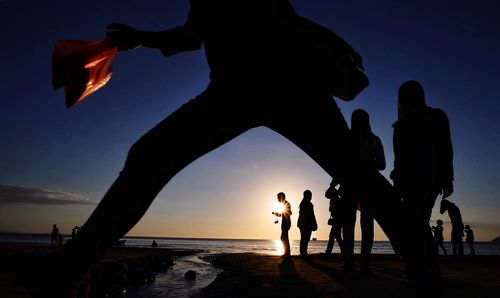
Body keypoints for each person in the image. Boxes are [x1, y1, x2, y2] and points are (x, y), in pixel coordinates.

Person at [37, 1, 437, 294]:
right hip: (259, 88)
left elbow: (202, 31)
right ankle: (423, 263)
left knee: (148, 159)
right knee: (359, 177)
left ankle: (70, 267)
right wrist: (141, 39)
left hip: (266, 85)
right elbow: (201, 31)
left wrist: (141, 39)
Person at [391, 80, 454, 274]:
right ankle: (423, 263)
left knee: (418, 218)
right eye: (402, 96)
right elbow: (399, 157)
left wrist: (447, 178)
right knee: (416, 220)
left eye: (408, 94)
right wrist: (397, 177)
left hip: (430, 176)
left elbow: (445, 149)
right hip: (408, 179)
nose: (405, 99)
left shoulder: (436, 116)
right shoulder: (400, 126)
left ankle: (424, 264)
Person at [341, 109, 386, 274]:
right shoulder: (346, 139)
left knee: (364, 226)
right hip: (352, 186)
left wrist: (366, 163)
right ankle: (351, 262)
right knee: (351, 225)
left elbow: (382, 164)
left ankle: (362, 263)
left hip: (367, 187)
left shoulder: (374, 140)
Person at [324, 180, 344, 256]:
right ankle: (343, 251)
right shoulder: (335, 199)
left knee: (333, 237)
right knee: (337, 237)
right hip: (337, 220)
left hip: (337, 220)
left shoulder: (336, 200)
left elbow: (327, 194)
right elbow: (327, 194)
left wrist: (331, 186)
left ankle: (329, 252)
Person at [297, 190, 318, 259]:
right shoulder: (308, 204)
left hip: (302, 223)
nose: (311, 197)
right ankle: (304, 253)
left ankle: (303, 253)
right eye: (310, 195)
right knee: (305, 239)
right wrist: (314, 223)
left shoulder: (302, 203)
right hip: (306, 223)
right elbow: (311, 215)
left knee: (304, 238)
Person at [273, 192, 292, 257]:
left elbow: (288, 213)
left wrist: (279, 214)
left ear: (281, 197)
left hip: (286, 223)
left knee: (284, 237)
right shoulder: (285, 204)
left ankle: (287, 253)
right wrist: (276, 214)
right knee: (284, 237)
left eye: (278, 198)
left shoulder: (286, 204)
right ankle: (287, 252)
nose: (277, 199)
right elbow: (282, 214)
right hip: (286, 222)